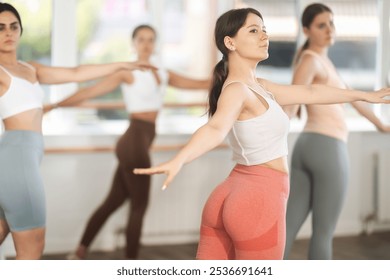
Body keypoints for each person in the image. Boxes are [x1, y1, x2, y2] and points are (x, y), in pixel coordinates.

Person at [133, 7, 390, 260]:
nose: (264, 36)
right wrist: (180, 159)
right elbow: (215, 128)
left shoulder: (258, 86)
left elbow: (312, 93)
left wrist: (364, 95)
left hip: (231, 194)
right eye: (254, 30)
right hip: (256, 200)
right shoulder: (238, 90)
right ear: (230, 42)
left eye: (264, 30)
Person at [0, 2, 152, 260]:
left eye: (14, 26)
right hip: (16, 160)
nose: (8, 33)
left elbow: (76, 73)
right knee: (33, 245)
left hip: (22, 157)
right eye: (0, 28)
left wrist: (121, 65)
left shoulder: (31, 68)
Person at [44, 24, 210, 260]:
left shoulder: (163, 72)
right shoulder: (128, 72)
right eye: (141, 39)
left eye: (150, 39)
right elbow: (90, 92)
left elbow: (202, 84)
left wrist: (229, 70)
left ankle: (79, 252)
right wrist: (55, 105)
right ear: (133, 43)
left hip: (138, 142)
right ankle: (132, 266)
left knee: (113, 202)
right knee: (139, 206)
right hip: (133, 142)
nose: (146, 44)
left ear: (155, 44)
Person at [282, 3, 390, 260]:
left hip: (306, 147)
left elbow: (355, 100)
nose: (330, 29)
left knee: (286, 227)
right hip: (327, 148)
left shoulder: (323, 62)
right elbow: (293, 99)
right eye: (322, 25)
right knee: (323, 233)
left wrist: (382, 125)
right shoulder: (311, 61)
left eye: (331, 23)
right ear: (306, 30)